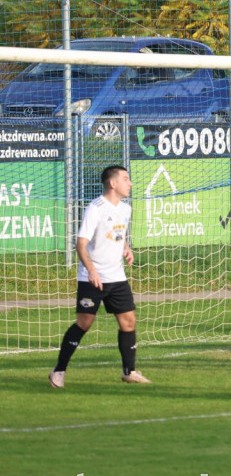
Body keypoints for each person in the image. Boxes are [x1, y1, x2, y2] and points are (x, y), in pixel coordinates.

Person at [49, 165, 150, 388]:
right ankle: (59, 371)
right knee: (84, 323)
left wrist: (126, 247)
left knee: (128, 322)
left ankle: (129, 371)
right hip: (92, 278)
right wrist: (92, 271)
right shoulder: (95, 208)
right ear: (113, 183)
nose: (130, 183)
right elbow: (81, 244)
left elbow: (118, 232)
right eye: (126, 179)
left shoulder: (126, 209)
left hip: (117, 277)